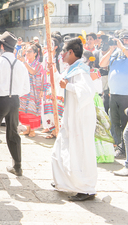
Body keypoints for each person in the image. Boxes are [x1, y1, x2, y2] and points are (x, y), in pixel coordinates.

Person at [51, 37, 97, 201]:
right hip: (71, 117)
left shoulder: (81, 71)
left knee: (81, 152)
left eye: (64, 51)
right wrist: (53, 70)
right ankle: (65, 182)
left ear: (71, 52)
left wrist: (68, 86)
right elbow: (61, 83)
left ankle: (86, 188)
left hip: (81, 118)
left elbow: (87, 92)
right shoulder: (72, 69)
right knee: (60, 149)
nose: (62, 54)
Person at [0, 31, 30, 177]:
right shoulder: (21, 65)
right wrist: (14, 95)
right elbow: (26, 89)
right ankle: (17, 166)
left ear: (2, 46)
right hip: (14, 101)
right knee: (13, 133)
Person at [99, 31, 128, 158]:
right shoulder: (115, 53)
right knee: (115, 122)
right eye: (122, 39)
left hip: (126, 94)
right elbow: (102, 64)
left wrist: (122, 47)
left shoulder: (124, 51)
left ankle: (124, 147)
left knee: (125, 122)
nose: (124, 42)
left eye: (126, 39)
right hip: (114, 94)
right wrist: (111, 50)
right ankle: (119, 146)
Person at [18, 42, 46, 138]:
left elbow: (33, 72)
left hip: (34, 90)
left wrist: (42, 90)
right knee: (25, 110)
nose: (27, 53)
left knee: (32, 110)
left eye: (30, 51)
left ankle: (32, 130)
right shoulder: (24, 63)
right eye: (27, 51)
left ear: (35, 53)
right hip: (25, 89)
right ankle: (28, 129)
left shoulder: (38, 64)